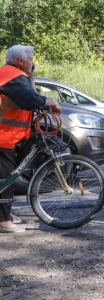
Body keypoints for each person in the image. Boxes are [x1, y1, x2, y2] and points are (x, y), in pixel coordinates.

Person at [0, 45, 61, 233]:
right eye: (30, 59)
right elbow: (31, 100)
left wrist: (32, 76)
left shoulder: (15, 75)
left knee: (9, 176)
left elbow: (30, 93)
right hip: (3, 136)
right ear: (20, 60)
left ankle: (5, 214)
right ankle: (3, 222)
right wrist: (51, 101)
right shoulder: (11, 75)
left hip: (9, 135)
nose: (32, 62)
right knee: (6, 179)